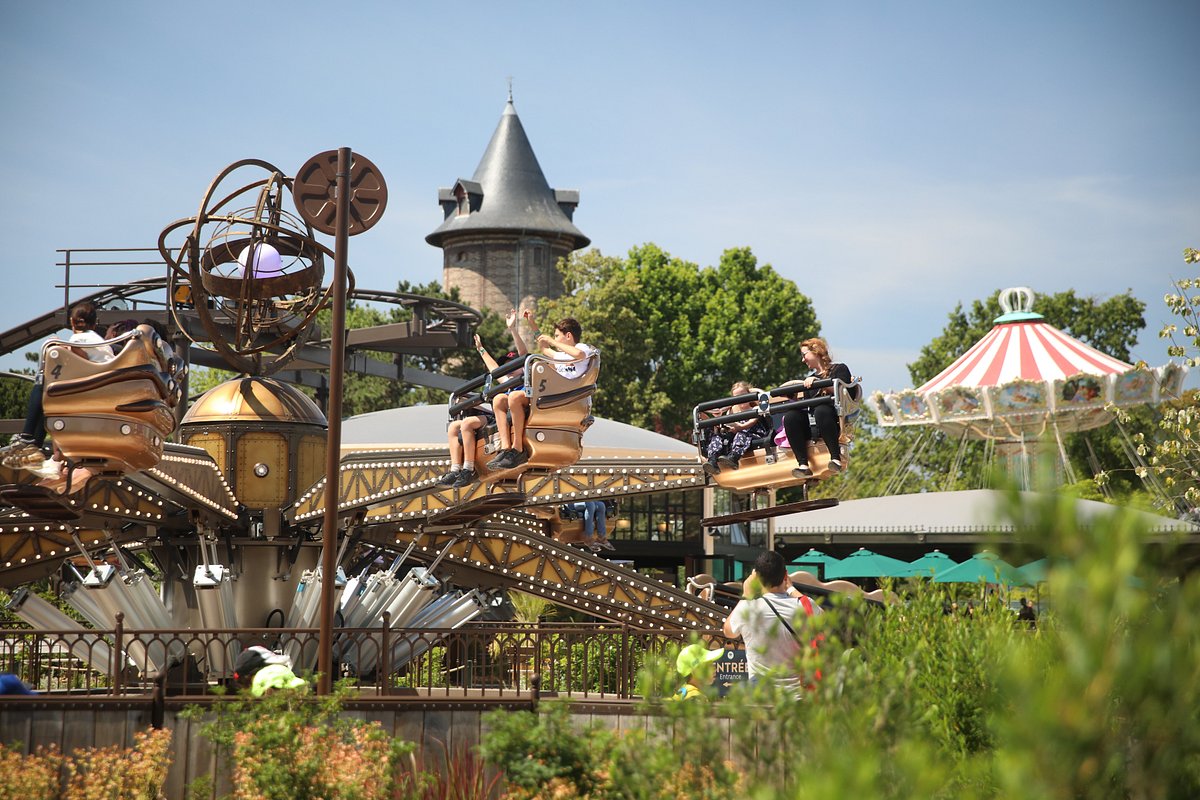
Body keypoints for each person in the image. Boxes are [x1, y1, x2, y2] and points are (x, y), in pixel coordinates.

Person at [2, 301, 115, 469]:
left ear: (71, 321)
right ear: (94, 323)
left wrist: (61, 346)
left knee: (43, 383)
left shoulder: (79, 339)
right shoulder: (100, 342)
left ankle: (28, 437)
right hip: (102, 393)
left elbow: (82, 357)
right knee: (51, 395)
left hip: (89, 392)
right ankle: (34, 445)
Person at [487, 316, 597, 471]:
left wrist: (553, 342)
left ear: (568, 336)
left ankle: (517, 449)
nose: (555, 339)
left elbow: (579, 355)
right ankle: (507, 449)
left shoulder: (583, 348)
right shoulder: (560, 356)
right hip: (552, 396)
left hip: (568, 398)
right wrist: (532, 323)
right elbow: (544, 348)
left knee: (515, 397)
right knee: (499, 399)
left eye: (557, 335)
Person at [437, 310, 527, 488]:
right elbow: (494, 368)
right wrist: (481, 349)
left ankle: (470, 468)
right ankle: (457, 469)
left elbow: (524, 355)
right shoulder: (507, 381)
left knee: (467, 423)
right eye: (505, 365)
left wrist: (513, 330)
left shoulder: (525, 377)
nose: (507, 368)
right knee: (455, 426)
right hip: (498, 414)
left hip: (511, 411)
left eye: (512, 365)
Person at [723, 550, 822, 695]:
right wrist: (792, 589)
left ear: (756, 578)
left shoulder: (748, 608)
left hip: (760, 697)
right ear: (785, 575)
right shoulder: (803, 606)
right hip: (796, 696)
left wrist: (746, 595)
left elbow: (728, 631)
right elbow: (823, 617)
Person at [780, 338, 857, 479]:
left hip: (834, 420)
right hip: (815, 422)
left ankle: (835, 458)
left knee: (822, 410)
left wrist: (819, 383)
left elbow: (846, 393)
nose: (803, 360)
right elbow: (808, 406)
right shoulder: (810, 379)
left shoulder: (839, 369)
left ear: (816, 352)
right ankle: (803, 464)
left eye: (804, 355)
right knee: (791, 417)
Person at [703, 380, 771, 475]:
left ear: (749, 394)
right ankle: (712, 460)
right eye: (737, 398)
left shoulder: (755, 409)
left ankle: (734, 458)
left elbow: (750, 423)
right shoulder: (732, 409)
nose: (741, 400)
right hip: (735, 433)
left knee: (741, 434)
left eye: (743, 395)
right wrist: (721, 419)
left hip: (752, 433)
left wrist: (739, 427)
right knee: (717, 437)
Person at [232, 645, 308, 697]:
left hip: (268, 684)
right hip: (286, 675)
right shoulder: (281, 667)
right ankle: (294, 690)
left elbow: (255, 693)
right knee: (293, 684)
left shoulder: (258, 678)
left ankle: (275, 692)